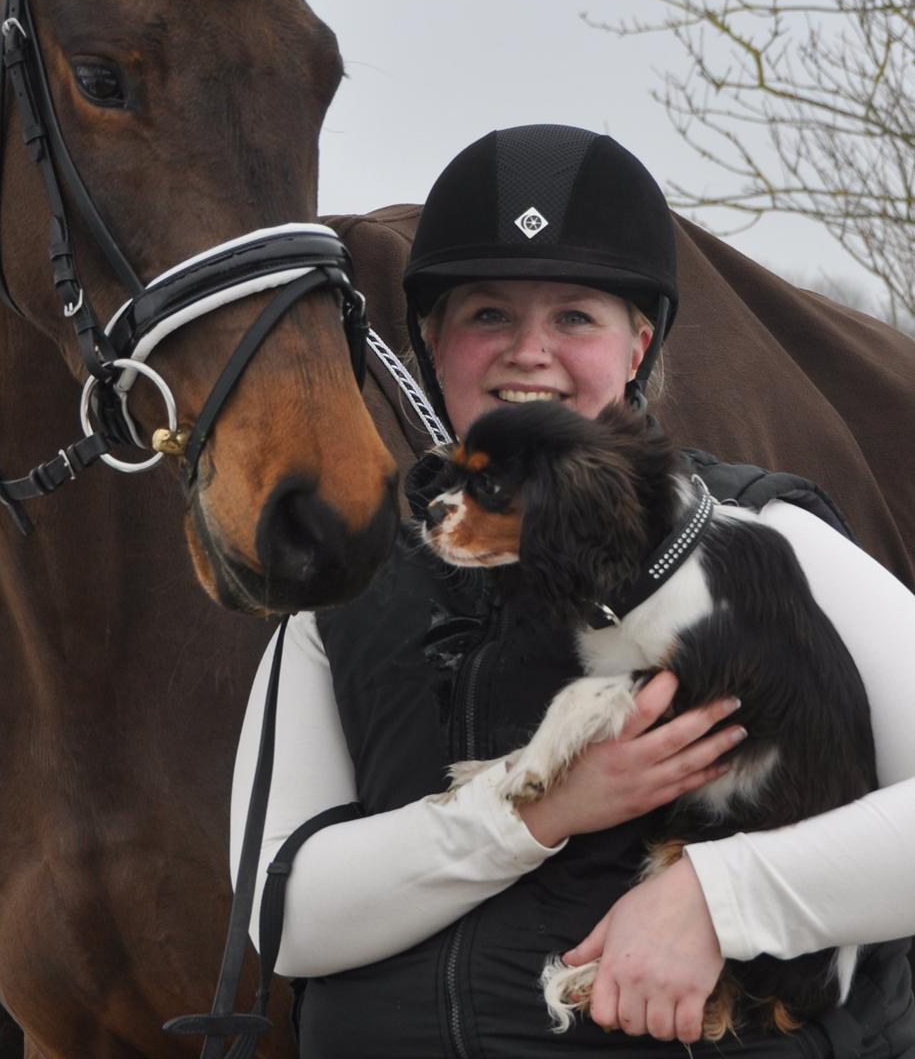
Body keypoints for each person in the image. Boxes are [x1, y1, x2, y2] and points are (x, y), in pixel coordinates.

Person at [231, 124, 915, 1059]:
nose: (529, 354)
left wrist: (718, 898)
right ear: (432, 345)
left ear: (638, 344)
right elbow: (285, 913)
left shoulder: (764, 538)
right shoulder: (348, 581)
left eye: (575, 318)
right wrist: (536, 810)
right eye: (486, 316)